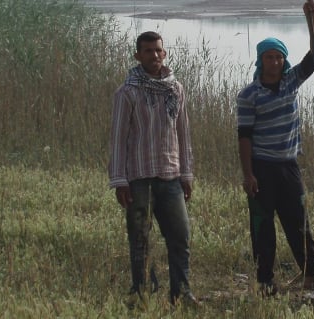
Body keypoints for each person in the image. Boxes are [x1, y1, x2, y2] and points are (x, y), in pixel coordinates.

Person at [236, 0, 314, 295]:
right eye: (268, 57)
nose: (273, 62)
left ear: (283, 61)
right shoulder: (249, 95)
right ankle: (265, 281)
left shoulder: (290, 81)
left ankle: (312, 275)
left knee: (299, 222)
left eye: (278, 57)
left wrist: (310, 19)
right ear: (260, 61)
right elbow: (244, 136)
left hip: (288, 166)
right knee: (263, 227)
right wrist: (248, 175)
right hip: (261, 167)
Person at [108, 31, 198, 307]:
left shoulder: (176, 89)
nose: (154, 55)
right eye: (148, 51)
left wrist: (186, 174)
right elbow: (118, 138)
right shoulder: (128, 92)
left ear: (165, 53)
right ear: (138, 56)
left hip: (170, 176)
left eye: (158, 50)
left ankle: (181, 294)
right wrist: (119, 180)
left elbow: (183, 134)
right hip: (139, 178)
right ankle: (142, 292)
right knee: (140, 239)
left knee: (180, 236)